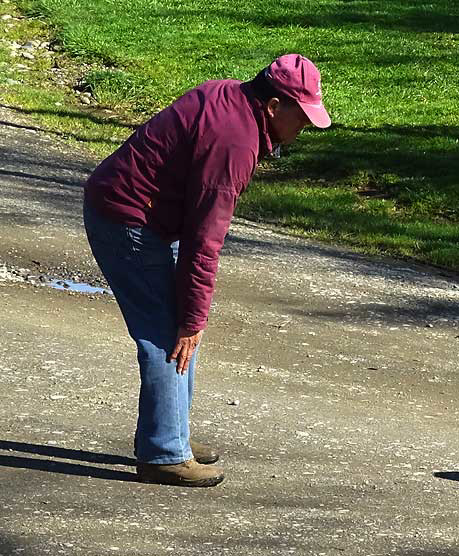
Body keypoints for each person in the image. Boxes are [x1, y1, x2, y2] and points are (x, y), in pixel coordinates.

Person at [82, 54, 331, 487]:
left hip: (143, 215)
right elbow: (204, 242)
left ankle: (171, 431)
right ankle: (163, 454)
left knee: (180, 328)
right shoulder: (235, 142)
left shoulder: (231, 95)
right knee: (168, 335)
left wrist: (192, 319)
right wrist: (194, 320)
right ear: (274, 107)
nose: (304, 127)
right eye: (302, 116)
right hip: (125, 220)